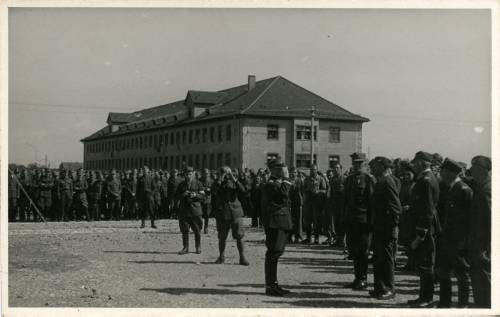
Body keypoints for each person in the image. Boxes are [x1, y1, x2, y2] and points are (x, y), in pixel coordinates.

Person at [435, 158, 472, 308]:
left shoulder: (464, 190)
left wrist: (464, 242)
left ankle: (463, 304)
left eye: (443, 171)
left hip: (458, 240)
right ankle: (444, 303)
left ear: (450, 173)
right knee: (443, 272)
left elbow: (469, 219)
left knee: (461, 274)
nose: (441, 174)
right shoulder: (447, 187)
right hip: (447, 238)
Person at [406, 151, 440, 308]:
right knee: (423, 264)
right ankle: (423, 297)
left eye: (415, 163)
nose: (413, 166)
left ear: (420, 163)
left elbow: (427, 210)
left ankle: (427, 298)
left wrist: (420, 235)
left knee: (426, 265)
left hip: (425, 231)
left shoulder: (426, 180)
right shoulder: (426, 179)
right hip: (424, 229)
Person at [369, 157, 401, 300]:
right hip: (379, 227)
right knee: (378, 258)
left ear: (382, 167)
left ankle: (389, 288)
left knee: (387, 259)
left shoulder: (388, 182)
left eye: (374, 166)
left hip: (386, 228)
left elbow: (396, 208)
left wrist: (391, 227)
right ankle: (380, 287)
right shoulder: (381, 181)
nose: (372, 168)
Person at [261, 157, 293, 296]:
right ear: (273, 169)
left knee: (276, 253)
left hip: (280, 221)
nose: (283, 169)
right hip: (275, 222)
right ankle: (270, 286)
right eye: (280, 167)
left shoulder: (278, 182)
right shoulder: (271, 183)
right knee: (273, 253)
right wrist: (286, 178)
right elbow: (284, 195)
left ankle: (273, 284)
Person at [344, 152, 374, 290]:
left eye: (359, 163)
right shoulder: (349, 179)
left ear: (365, 164)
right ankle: (357, 277)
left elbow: (372, 203)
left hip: (364, 221)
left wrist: (371, 223)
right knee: (354, 251)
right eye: (354, 163)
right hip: (351, 220)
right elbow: (346, 201)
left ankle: (363, 279)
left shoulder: (369, 179)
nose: (356, 166)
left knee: (363, 251)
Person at [467, 155, 491, 308]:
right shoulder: (481, 186)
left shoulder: (487, 189)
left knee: (483, 275)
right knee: (477, 274)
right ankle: (480, 304)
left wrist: (487, 246)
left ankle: (486, 305)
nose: (471, 172)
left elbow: (491, 220)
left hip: (482, 242)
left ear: (481, 170)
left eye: (474, 169)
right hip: (477, 240)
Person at [213, 166, 249, 265]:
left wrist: (234, 179)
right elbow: (214, 191)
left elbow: (243, 191)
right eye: (224, 173)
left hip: (235, 212)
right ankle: (221, 257)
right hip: (223, 213)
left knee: (239, 236)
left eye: (227, 173)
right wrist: (220, 178)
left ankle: (242, 257)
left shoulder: (235, 182)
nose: (226, 176)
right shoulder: (218, 182)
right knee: (222, 237)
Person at [176, 166, 205, 254]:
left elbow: (203, 197)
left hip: (195, 210)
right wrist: (184, 194)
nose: (188, 176)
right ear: (184, 175)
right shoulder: (181, 185)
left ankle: (198, 247)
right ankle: (185, 247)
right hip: (184, 210)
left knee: (197, 230)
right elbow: (176, 196)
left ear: (193, 174)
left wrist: (195, 195)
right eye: (186, 174)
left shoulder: (198, 183)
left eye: (190, 174)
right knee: (185, 230)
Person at [302, 165, 328, 244]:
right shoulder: (307, 179)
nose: (312, 171)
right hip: (308, 202)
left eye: (314, 170)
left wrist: (318, 191)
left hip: (317, 203)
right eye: (311, 170)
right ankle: (308, 238)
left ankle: (316, 238)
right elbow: (303, 189)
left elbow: (324, 190)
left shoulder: (320, 179)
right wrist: (307, 190)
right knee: (307, 221)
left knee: (316, 221)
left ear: (317, 170)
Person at [329, 162, 346, 248]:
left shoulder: (344, 179)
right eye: (334, 168)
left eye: (337, 168)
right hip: (335, 203)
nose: (335, 170)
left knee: (342, 222)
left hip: (342, 204)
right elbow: (331, 192)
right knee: (336, 222)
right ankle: (338, 239)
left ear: (341, 169)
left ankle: (342, 241)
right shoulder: (332, 180)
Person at [289, 167, 304, 243]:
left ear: (297, 173)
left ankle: (298, 237)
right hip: (290, 203)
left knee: (298, 220)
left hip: (298, 203)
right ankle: (289, 236)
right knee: (290, 220)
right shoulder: (287, 181)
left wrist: (301, 201)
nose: (293, 174)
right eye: (291, 172)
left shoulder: (300, 181)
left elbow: (302, 192)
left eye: (294, 172)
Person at [199, 168, 214, 234]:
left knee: (207, 215)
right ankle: (199, 227)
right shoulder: (199, 180)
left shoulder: (211, 181)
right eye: (204, 173)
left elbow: (213, 189)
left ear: (209, 173)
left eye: (207, 173)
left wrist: (209, 189)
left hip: (207, 199)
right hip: (200, 199)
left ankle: (206, 227)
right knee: (199, 214)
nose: (205, 174)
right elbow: (198, 188)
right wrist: (205, 189)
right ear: (202, 173)